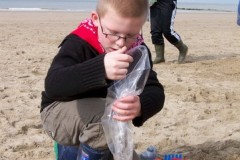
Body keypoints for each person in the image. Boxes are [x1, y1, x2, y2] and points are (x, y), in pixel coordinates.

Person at [40, 0, 165, 159]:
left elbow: (155, 90)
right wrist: (100, 68)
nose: (120, 42)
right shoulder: (79, 43)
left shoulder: (137, 51)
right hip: (57, 113)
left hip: (102, 125)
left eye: (130, 35)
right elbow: (53, 84)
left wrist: (141, 104)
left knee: (114, 137)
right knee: (105, 117)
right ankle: (68, 147)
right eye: (113, 33)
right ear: (95, 19)